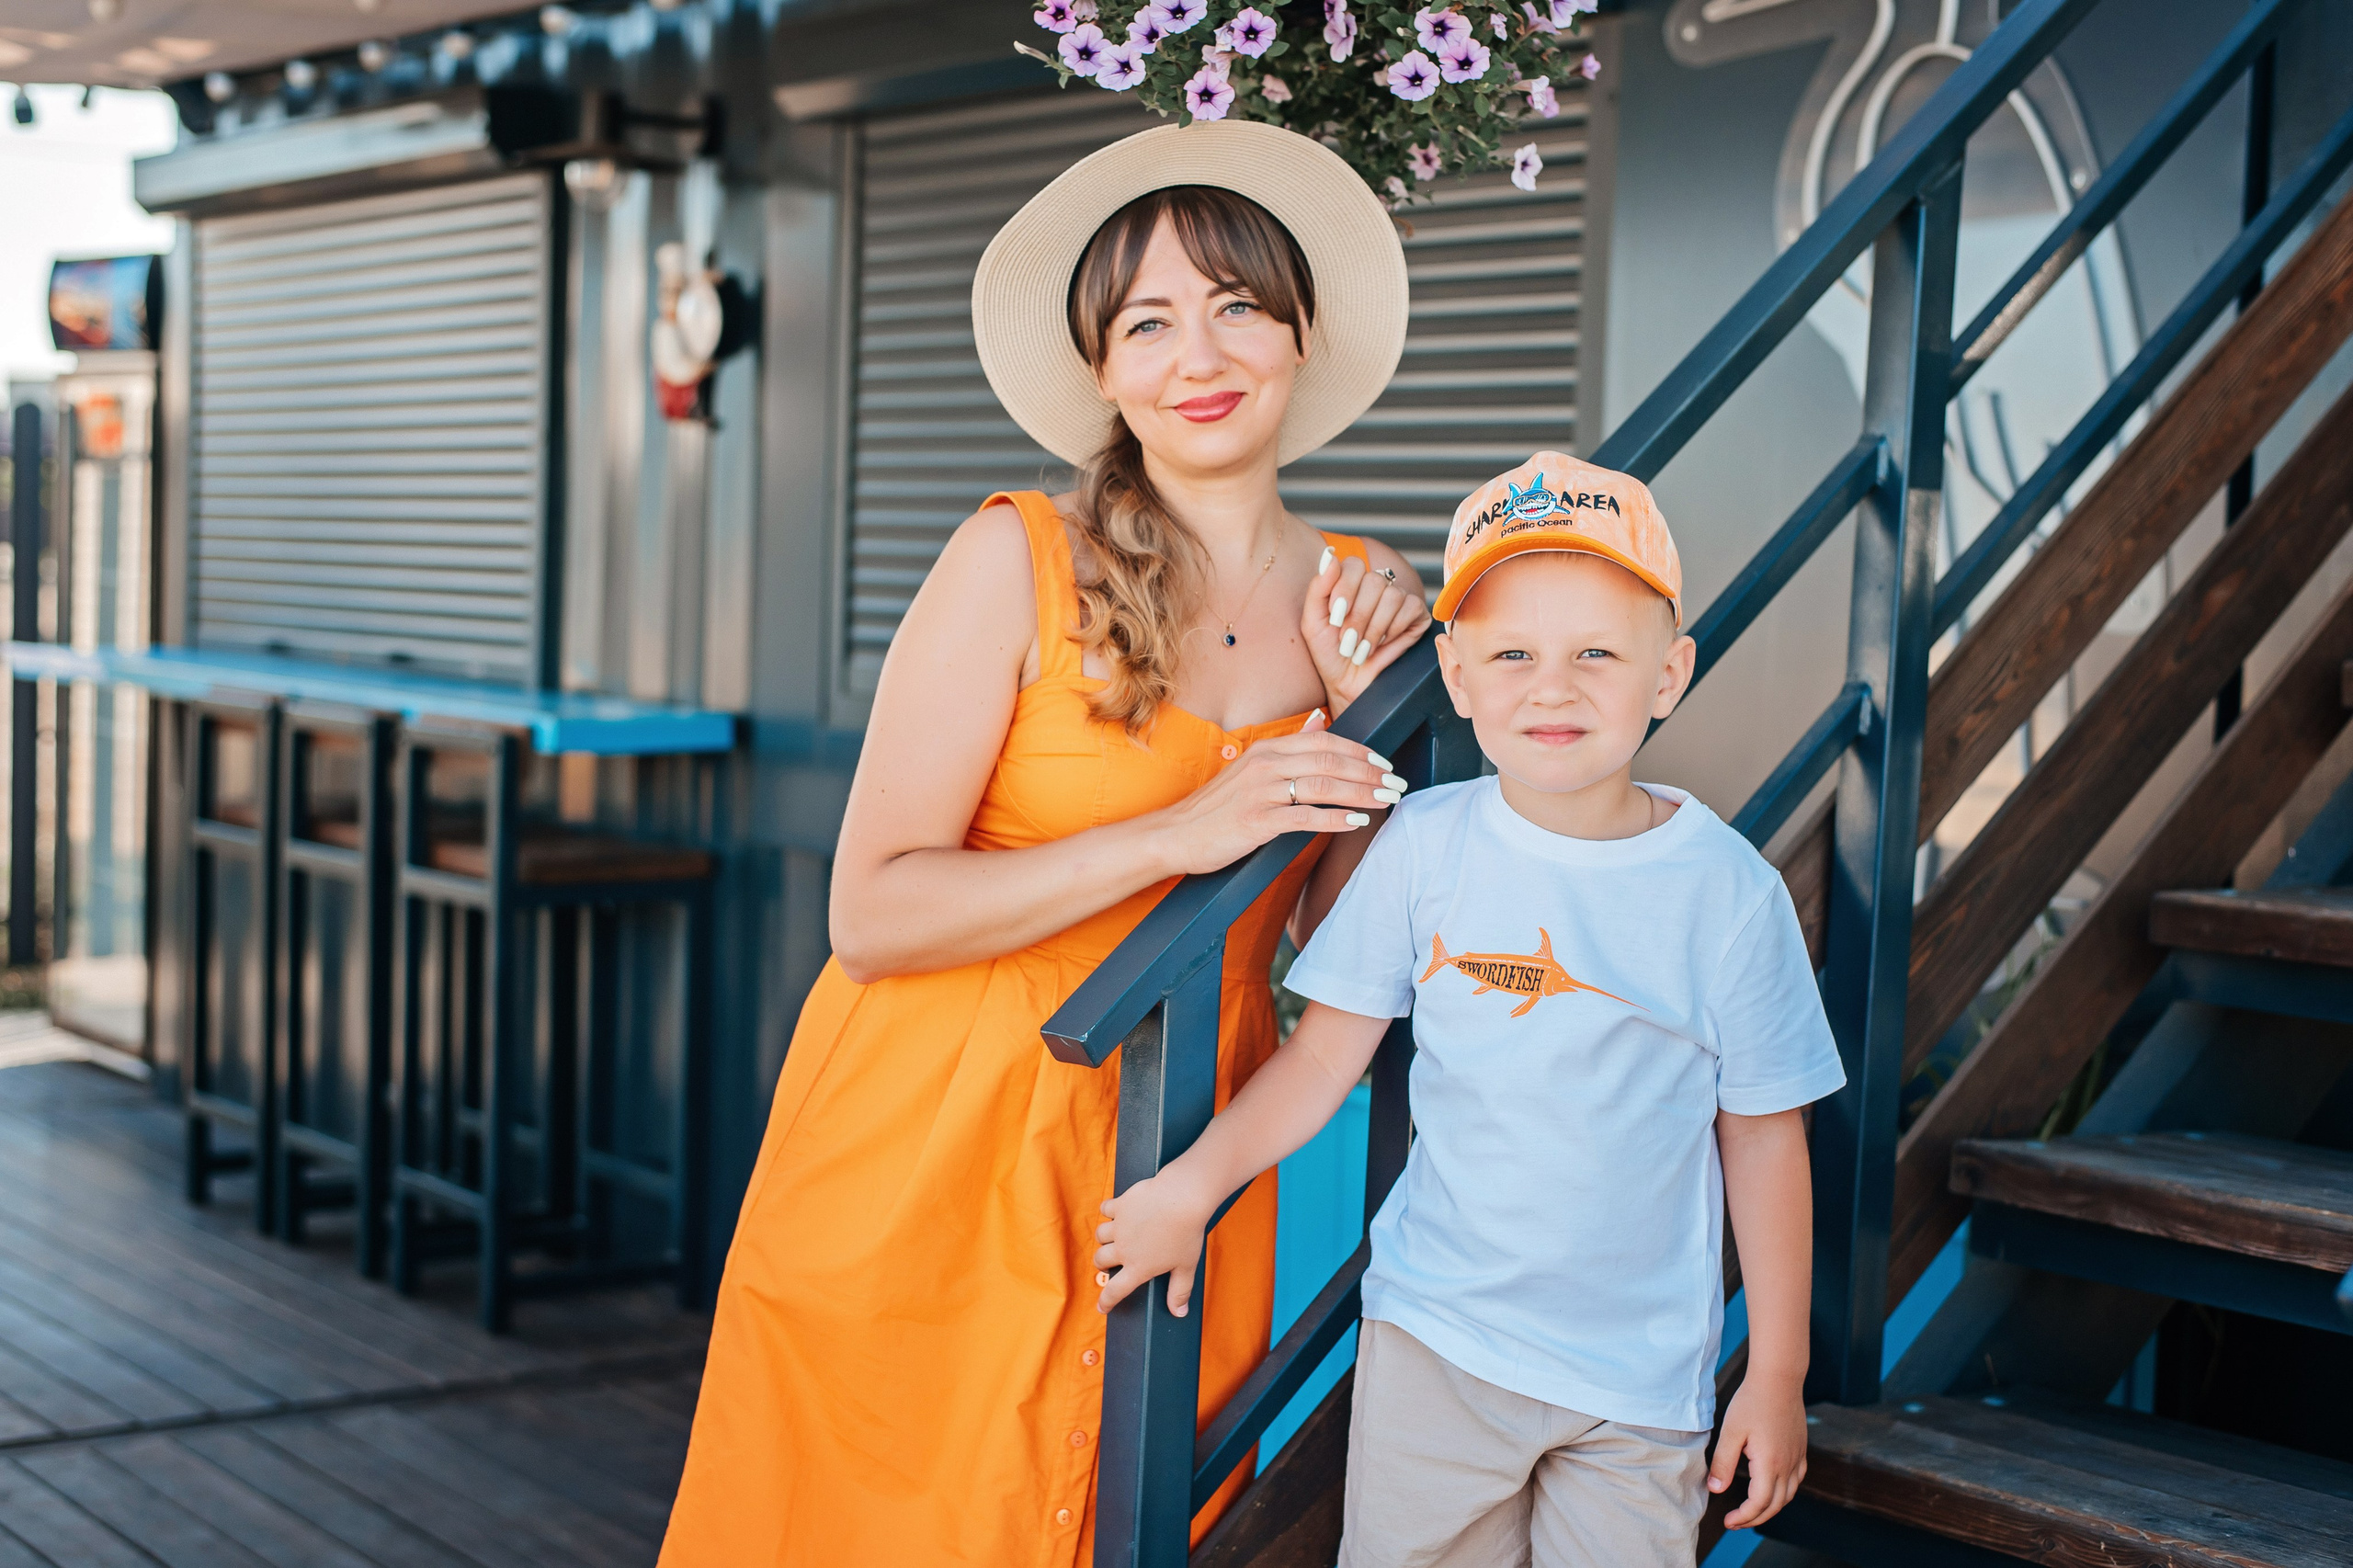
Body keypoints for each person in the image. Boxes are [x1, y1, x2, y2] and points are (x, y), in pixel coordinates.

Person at [660, 119, 1432, 1564]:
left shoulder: (1361, 601)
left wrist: (1363, 715)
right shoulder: (1011, 558)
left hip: (1185, 1153)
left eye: (1236, 305)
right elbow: (870, 914)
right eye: (1149, 322)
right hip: (936, 1135)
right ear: (1103, 370)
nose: (1198, 355)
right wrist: (1178, 831)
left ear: (1299, 331)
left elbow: (1331, 946)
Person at [1093, 452, 1847, 1566]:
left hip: (1635, 1386)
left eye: (1597, 652)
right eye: (1512, 654)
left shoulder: (1729, 893)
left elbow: (1767, 1136)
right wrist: (1192, 1186)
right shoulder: (1423, 845)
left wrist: (1777, 1370)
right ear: (1455, 672)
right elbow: (1320, 1060)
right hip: (1437, 1345)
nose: (1553, 688)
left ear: (1668, 672)